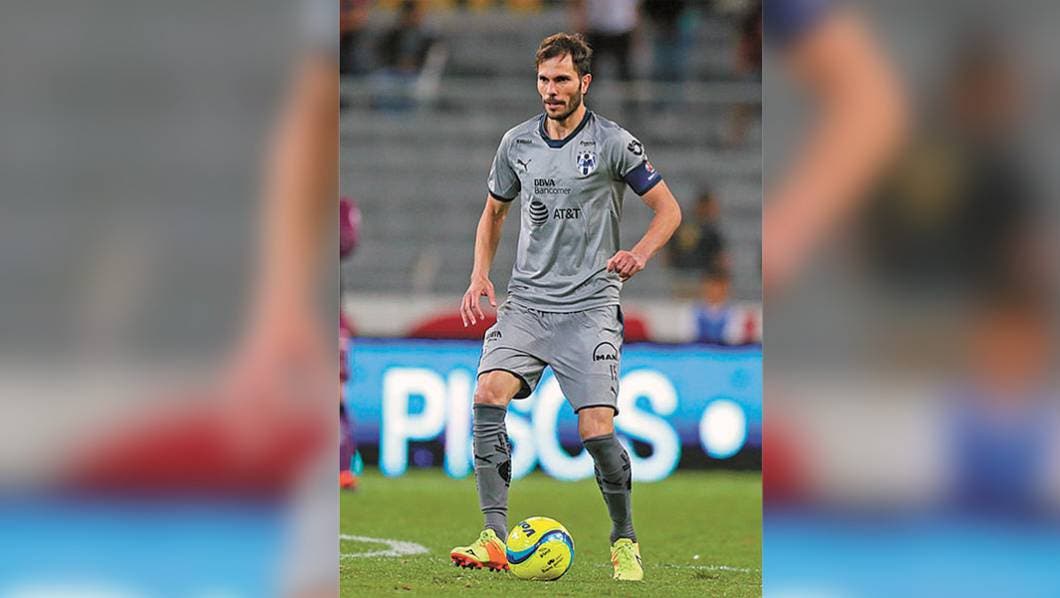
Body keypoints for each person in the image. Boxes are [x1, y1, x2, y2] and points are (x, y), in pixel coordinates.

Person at [449, 33, 682, 582]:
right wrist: (480, 272)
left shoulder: (614, 144)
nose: (550, 91)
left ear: (584, 82)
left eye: (560, 80)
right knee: (487, 394)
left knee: (597, 431)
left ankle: (624, 539)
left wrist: (640, 253)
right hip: (527, 303)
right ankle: (494, 536)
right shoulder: (516, 144)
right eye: (543, 80)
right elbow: (493, 213)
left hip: (591, 307)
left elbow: (668, 211)